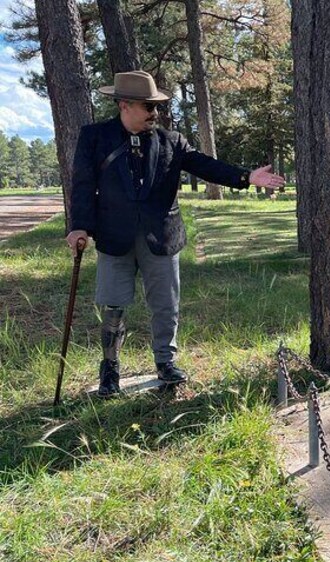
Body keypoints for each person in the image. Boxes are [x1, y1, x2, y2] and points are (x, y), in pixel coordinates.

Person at [65, 70, 285, 397]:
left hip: (162, 237)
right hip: (114, 236)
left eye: (157, 106)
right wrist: (79, 226)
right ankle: (110, 368)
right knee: (113, 305)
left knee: (166, 305)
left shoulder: (171, 141)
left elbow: (205, 165)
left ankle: (165, 362)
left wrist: (246, 177)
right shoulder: (94, 138)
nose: (156, 113)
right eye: (147, 106)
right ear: (124, 105)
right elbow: (82, 186)